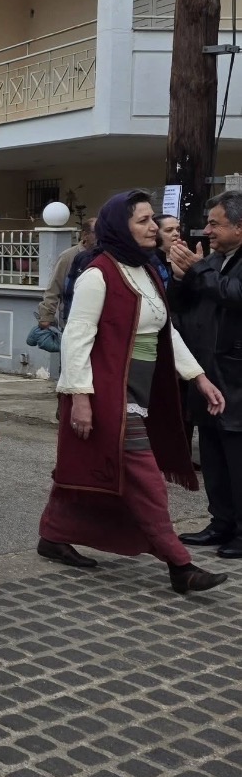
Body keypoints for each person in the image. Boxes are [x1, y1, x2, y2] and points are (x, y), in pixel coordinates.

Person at [38, 191, 227, 594]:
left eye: (152, 219)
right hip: (108, 393)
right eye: (143, 220)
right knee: (146, 479)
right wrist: (80, 399)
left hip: (143, 391)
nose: (153, 227)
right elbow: (76, 338)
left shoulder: (145, 270)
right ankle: (180, 565)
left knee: (85, 466)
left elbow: (165, 332)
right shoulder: (97, 274)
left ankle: (53, 534)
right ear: (119, 228)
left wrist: (199, 377)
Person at [168, 191, 242, 559]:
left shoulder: (212, 265)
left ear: (240, 228)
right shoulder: (211, 259)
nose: (207, 230)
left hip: (236, 378)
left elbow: (234, 294)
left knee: (237, 455)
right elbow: (181, 306)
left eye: (215, 224)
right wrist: (180, 277)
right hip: (207, 374)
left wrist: (197, 270)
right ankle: (221, 521)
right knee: (212, 453)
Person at [37, 217, 97, 330]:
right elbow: (54, 288)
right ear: (85, 235)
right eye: (97, 232)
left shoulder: (107, 256)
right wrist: (46, 316)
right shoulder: (68, 257)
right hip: (71, 320)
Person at [153, 213, 181, 290]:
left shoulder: (180, 257)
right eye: (169, 230)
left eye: (178, 229)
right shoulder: (150, 262)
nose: (176, 234)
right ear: (156, 234)